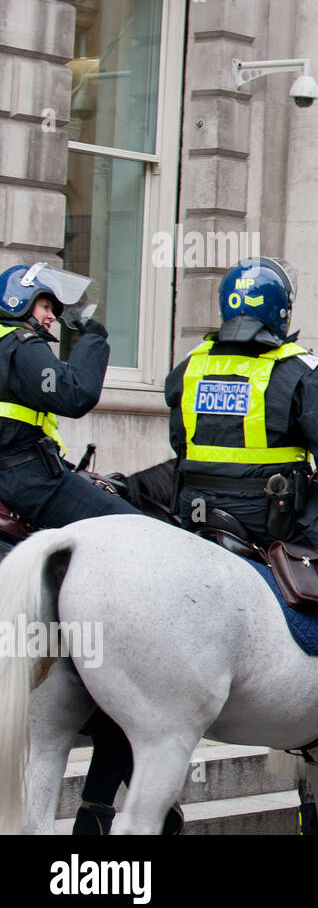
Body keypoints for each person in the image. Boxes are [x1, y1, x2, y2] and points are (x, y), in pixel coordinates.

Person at [165, 256, 318, 735]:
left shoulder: (189, 367)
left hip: (195, 511)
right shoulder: (298, 369)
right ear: (281, 313)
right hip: (273, 513)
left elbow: (180, 444)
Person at [0, 261, 169, 834]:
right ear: (23, 304)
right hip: (28, 479)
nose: (51, 316)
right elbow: (74, 395)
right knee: (138, 536)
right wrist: (94, 336)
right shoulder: (21, 345)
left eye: (54, 307)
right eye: (46, 305)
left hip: (20, 473)